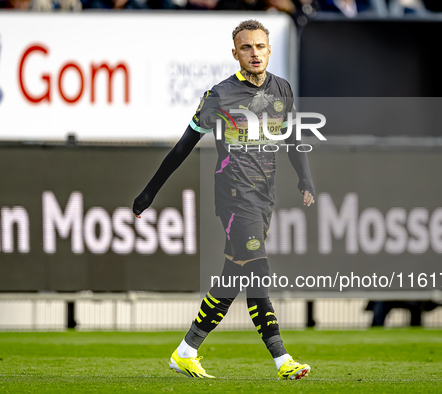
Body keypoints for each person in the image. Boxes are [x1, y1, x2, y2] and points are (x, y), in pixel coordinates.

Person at [132, 19, 315, 380]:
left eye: (260, 46)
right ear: (235, 53)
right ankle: (283, 360)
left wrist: (305, 178)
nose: (254, 53)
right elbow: (184, 146)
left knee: (234, 276)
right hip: (233, 195)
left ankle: (186, 351)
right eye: (246, 47)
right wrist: (150, 191)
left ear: (269, 49)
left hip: (263, 197)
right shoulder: (219, 96)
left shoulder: (282, 90)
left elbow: (293, 140)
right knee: (258, 271)